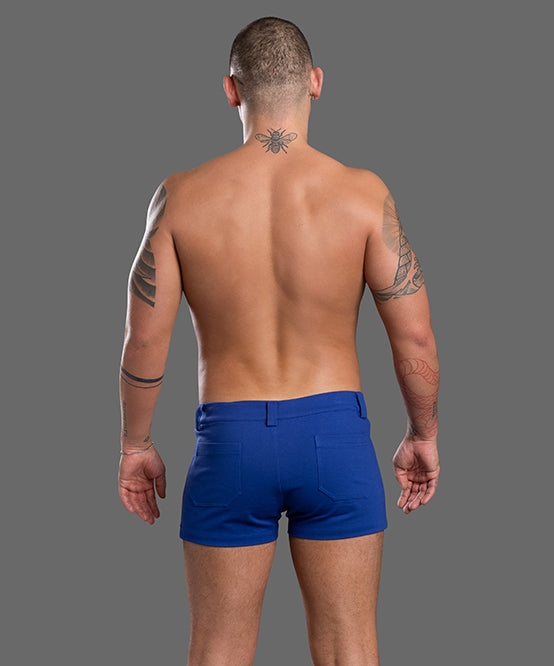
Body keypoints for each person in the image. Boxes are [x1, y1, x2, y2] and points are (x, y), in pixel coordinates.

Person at [118, 16, 439, 666]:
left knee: (217, 651)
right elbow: (415, 337)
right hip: (335, 441)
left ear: (231, 90)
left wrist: (135, 445)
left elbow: (144, 341)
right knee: (350, 651)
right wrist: (422, 433)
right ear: (315, 82)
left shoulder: (181, 198)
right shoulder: (362, 195)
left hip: (231, 443)